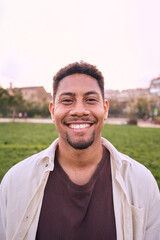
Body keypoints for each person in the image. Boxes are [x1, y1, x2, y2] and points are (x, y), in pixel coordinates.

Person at [0, 61, 160, 240]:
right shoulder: (14, 183)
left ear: (105, 109)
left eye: (90, 100)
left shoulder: (143, 183)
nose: (79, 110)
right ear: (53, 111)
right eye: (67, 100)